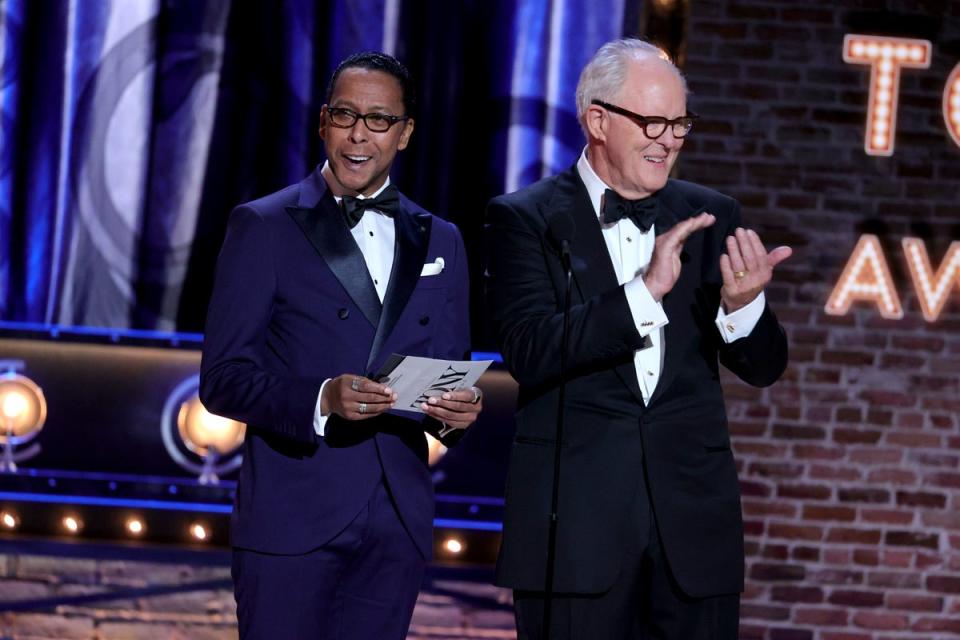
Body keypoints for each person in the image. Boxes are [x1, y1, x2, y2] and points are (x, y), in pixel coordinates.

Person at [486, 39, 791, 639]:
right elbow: (529, 350)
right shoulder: (526, 218)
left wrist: (744, 307)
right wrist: (643, 294)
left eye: (680, 122)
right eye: (653, 121)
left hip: (692, 536)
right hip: (573, 534)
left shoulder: (712, 214)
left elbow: (764, 367)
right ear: (597, 120)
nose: (670, 138)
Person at [200, 51, 482, 640]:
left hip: (396, 520)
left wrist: (457, 413)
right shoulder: (265, 225)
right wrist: (321, 399)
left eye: (379, 120)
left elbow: (444, 376)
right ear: (323, 121)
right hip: (293, 513)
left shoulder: (444, 240)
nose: (359, 134)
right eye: (346, 115)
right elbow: (222, 378)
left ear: (404, 134)